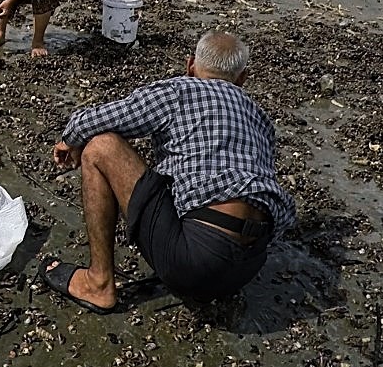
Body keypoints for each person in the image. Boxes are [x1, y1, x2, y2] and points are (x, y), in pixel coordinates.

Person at [43, 31, 295, 313]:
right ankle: (204, 276)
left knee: (100, 147)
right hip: (248, 266)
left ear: (190, 67)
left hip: (194, 259)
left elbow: (96, 120)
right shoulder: (260, 118)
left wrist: (69, 141)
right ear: (242, 79)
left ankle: (98, 283)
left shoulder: (181, 90)